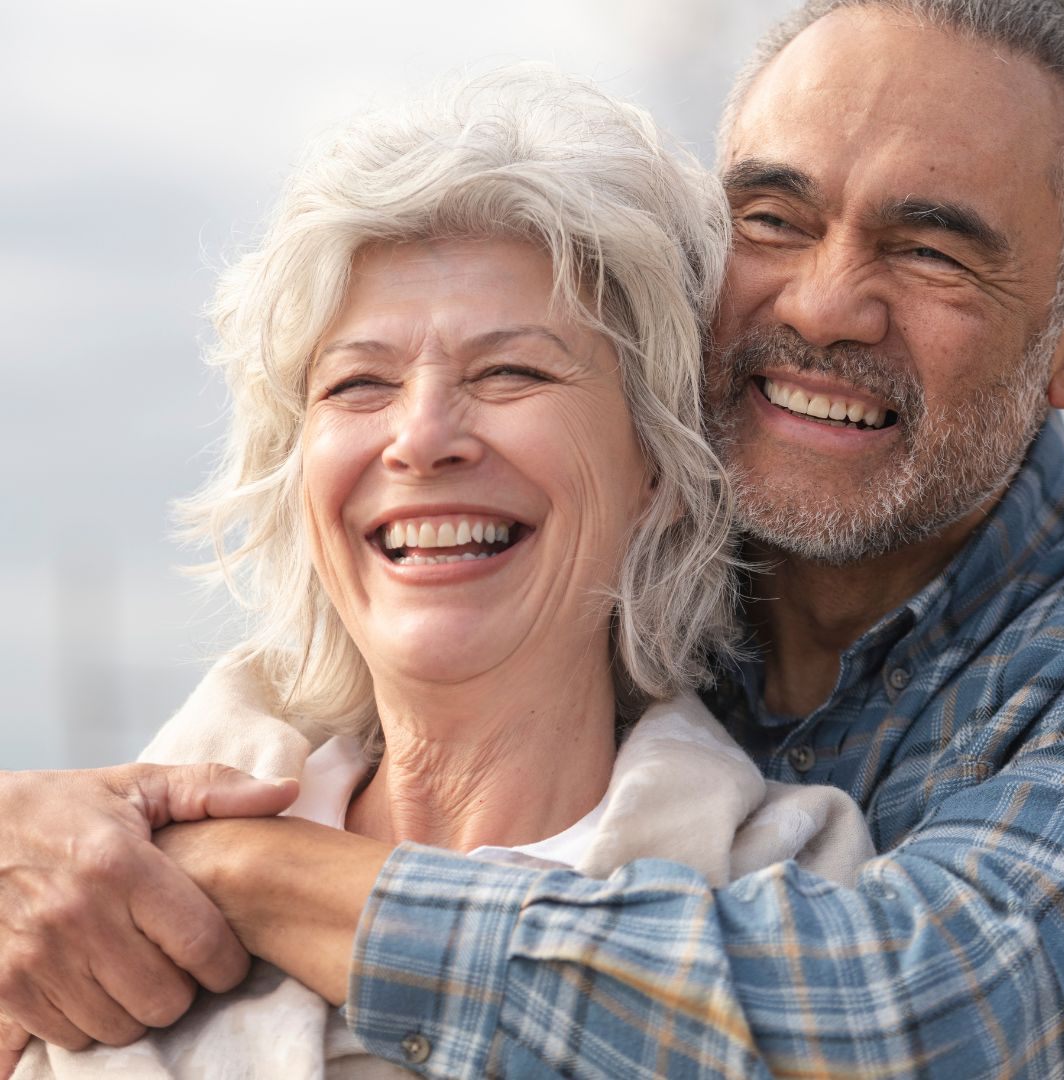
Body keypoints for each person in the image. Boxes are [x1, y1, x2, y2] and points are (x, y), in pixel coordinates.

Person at [0, 1, 1064, 1076]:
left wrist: (239, 875)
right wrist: (56, 845)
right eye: (773, 220)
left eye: (931, 251)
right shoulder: (590, 592)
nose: (826, 304)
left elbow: (931, 1026)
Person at [4, 68, 875, 1078]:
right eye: (358, 383)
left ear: (660, 468)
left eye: (510, 372)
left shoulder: (795, 891)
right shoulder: (68, 902)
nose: (420, 438)